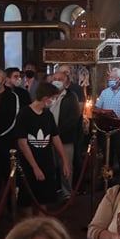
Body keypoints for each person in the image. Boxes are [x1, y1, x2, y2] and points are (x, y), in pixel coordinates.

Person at [15, 82, 70, 217]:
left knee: (43, 198)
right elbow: (23, 143)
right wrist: (35, 167)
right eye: (53, 98)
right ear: (46, 98)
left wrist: (64, 160)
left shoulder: (47, 114)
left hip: (46, 161)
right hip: (29, 163)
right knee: (27, 198)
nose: (53, 101)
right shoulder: (24, 114)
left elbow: (55, 137)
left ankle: (41, 222)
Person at [50, 66, 84, 201]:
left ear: (66, 82)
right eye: (55, 79)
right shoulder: (48, 96)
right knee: (51, 166)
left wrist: (57, 133)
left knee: (66, 166)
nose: (57, 82)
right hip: (48, 138)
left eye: (60, 80)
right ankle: (53, 191)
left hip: (65, 137)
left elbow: (73, 118)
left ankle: (67, 193)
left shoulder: (71, 97)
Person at [94, 67, 120, 173]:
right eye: (109, 77)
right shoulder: (105, 92)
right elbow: (98, 107)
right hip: (106, 128)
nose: (110, 79)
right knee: (107, 153)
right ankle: (107, 175)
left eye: (113, 77)